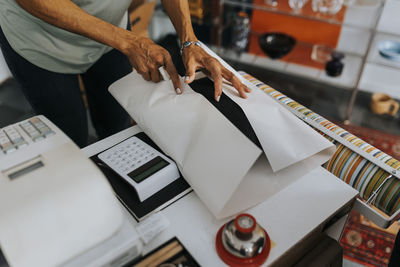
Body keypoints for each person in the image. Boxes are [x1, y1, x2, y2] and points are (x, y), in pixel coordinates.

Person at [0, 0, 250, 147]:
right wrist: (128, 42)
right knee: (68, 137)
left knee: (117, 123)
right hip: (39, 41)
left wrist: (189, 41)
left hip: (114, 34)